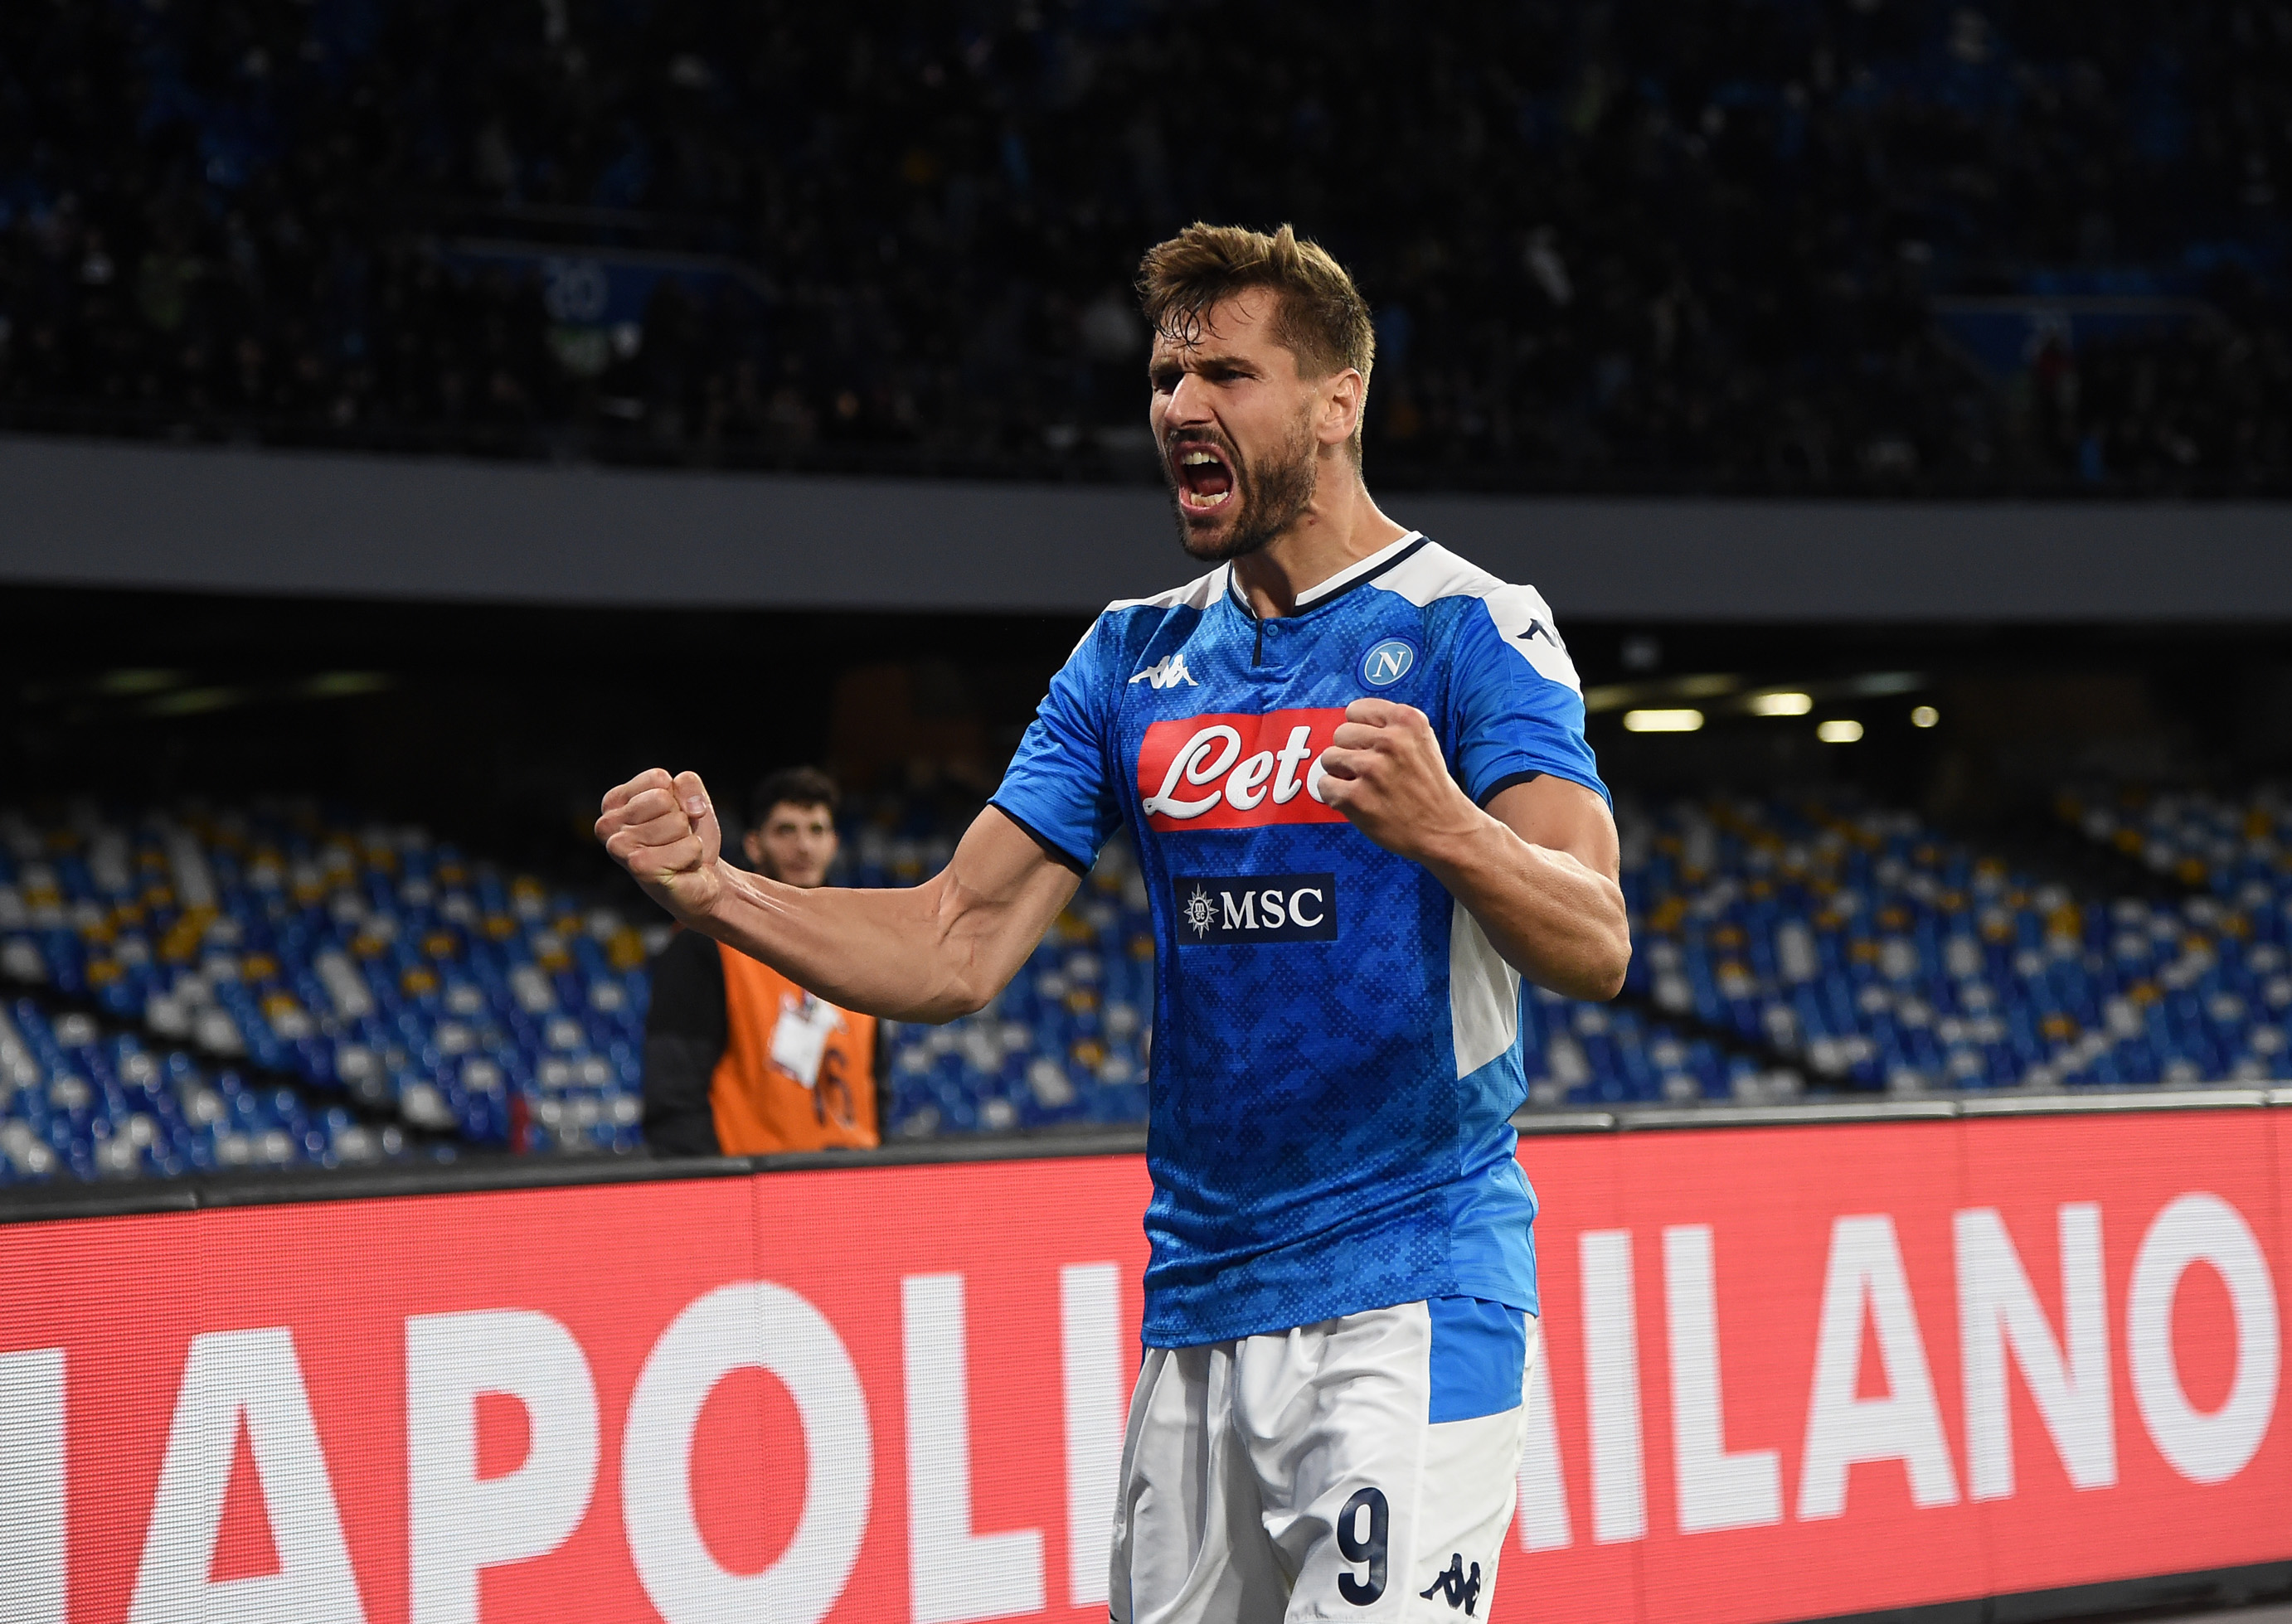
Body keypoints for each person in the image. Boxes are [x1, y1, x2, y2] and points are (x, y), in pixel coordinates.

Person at [596, 222, 1630, 1624]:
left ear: (1338, 403)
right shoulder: (1129, 657)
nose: (1178, 408)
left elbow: (1596, 935)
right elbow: (955, 941)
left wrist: (1450, 825)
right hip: (1198, 1306)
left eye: (1227, 373)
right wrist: (719, 893)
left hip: (1413, 1285)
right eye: (1164, 374)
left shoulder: (1473, 628)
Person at [639, 767, 885, 1157]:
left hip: (852, 1189)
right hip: (759, 1193)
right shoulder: (705, 945)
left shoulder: (862, 950)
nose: (803, 846)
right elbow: (674, 1095)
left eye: (816, 830)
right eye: (786, 830)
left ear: (834, 843)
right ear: (754, 845)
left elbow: (874, 1083)